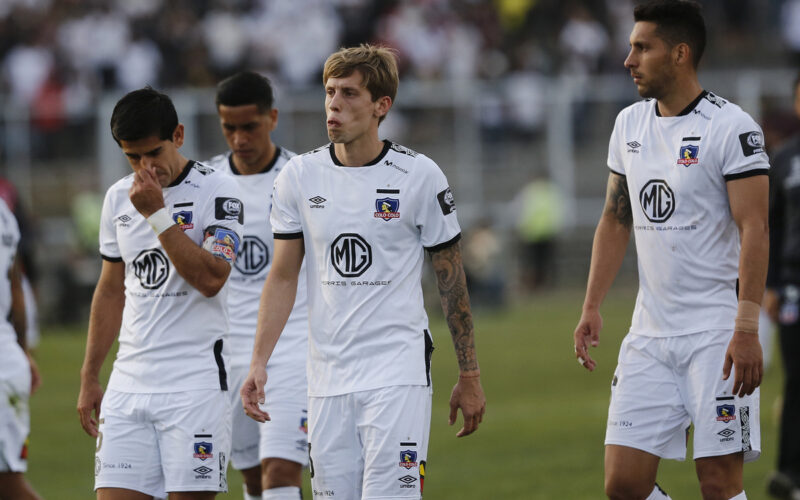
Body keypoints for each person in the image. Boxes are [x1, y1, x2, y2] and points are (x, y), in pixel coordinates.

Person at [240, 44, 486, 499]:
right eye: (330, 91)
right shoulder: (298, 176)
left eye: (350, 94)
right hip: (327, 377)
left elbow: (452, 282)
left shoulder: (419, 176)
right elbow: (283, 277)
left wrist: (469, 376)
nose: (334, 104)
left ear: (381, 106)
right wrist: (260, 361)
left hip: (397, 372)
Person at [571, 2, 769, 499]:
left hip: (716, 334)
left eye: (642, 47)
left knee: (719, 483)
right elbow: (617, 219)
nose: (628, 59)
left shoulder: (732, 127)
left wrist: (746, 328)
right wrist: (592, 304)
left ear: (680, 54)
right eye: (630, 46)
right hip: (650, 335)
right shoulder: (629, 126)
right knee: (622, 485)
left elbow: (756, 228)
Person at [76, 87, 243, 500]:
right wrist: (90, 375)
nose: (146, 167)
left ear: (179, 135)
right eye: (133, 157)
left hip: (194, 385)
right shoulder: (117, 198)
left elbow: (212, 278)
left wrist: (156, 214)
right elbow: (111, 289)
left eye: (154, 152)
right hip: (128, 385)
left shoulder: (219, 192)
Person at [205, 71, 309, 500]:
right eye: (229, 127)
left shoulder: (302, 176)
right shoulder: (207, 182)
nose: (239, 137)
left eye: (249, 126)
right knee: (251, 479)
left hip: (293, 344)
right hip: (228, 352)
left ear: (273, 118)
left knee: (281, 471)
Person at [764, 72, 800, 500]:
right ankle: (788, 472)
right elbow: (768, 226)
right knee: (796, 379)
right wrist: (770, 284)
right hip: (793, 285)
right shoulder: (785, 160)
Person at [0, 197, 41, 499]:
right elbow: (16, 286)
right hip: (7, 356)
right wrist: (22, 351)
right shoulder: (4, 211)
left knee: (7, 485)